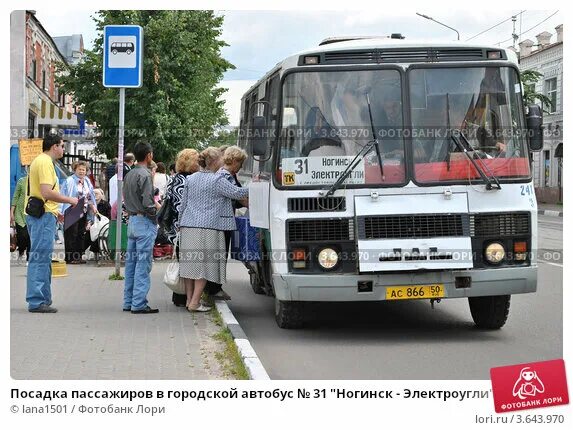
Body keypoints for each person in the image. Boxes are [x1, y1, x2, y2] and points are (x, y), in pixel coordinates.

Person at [178, 147, 249, 312]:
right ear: (215, 161)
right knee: (204, 266)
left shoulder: (191, 178)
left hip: (188, 226)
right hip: (208, 227)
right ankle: (195, 303)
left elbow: (183, 204)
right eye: (221, 159)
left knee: (189, 266)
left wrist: (180, 223)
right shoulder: (217, 180)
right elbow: (237, 193)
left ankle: (189, 300)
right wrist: (258, 186)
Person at [26, 134, 78, 313]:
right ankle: (37, 300)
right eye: (62, 146)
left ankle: (43, 298)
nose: (64, 149)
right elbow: (46, 192)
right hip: (43, 216)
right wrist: (69, 200)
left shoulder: (41, 161)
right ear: (54, 146)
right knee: (40, 258)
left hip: (45, 214)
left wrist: (57, 211)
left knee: (43, 258)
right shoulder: (46, 162)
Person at [204, 146, 249, 300]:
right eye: (240, 163)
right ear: (234, 161)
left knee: (220, 255)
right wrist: (256, 189)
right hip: (221, 222)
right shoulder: (225, 176)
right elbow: (236, 194)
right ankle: (214, 288)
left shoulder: (226, 175)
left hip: (222, 221)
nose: (241, 167)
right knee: (220, 255)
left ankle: (214, 287)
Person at [122, 142, 159, 314]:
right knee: (143, 265)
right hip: (144, 221)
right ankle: (139, 303)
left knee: (131, 264)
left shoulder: (129, 174)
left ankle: (128, 301)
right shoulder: (145, 175)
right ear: (149, 155)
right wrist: (156, 217)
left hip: (132, 221)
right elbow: (148, 203)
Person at [165, 149, 200, 307]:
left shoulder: (175, 178)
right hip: (183, 227)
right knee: (185, 263)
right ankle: (182, 297)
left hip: (177, 226)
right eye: (197, 160)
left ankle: (181, 296)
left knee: (183, 261)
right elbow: (180, 206)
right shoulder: (185, 180)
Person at [60, 160, 97, 264]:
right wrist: (60, 211)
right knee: (72, 234)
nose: (82, 172)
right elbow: (62, 194)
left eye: (84, 170)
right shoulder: (69, 181)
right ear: (75, 170)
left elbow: (89, 195)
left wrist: (93, 206)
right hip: (72, 209)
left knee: (81, 233)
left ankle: (79, 256)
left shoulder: (87, 181)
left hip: (83, 209)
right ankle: (70, 257)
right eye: (79, 169)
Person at [11, 174, 30, 265]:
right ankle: (21, 251)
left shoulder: (39, 182)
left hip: (32, 213)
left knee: (30, 237)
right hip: (20, 213)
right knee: (22, 236)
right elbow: (15, 196)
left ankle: (29, 258)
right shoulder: (21, 181)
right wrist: (11, 212)